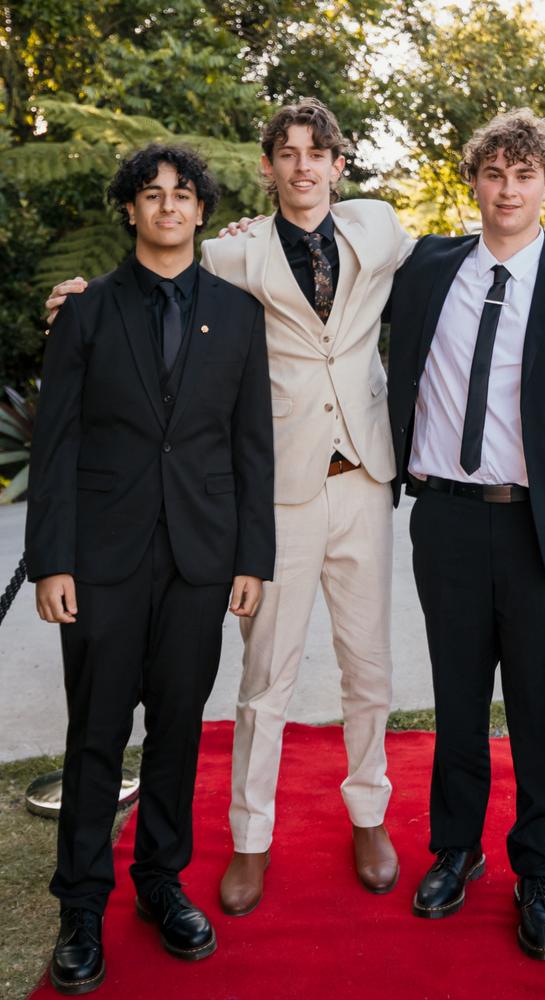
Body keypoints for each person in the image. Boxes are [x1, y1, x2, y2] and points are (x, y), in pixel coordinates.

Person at [45, 98, 545, 919]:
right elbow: (160, 278)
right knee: (267, 673)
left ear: (340, 166)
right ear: (267, 168)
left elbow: (479, 250)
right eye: (287, 153)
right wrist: (80, 298)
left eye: (318, 152)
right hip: (278, 491)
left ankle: (370, 816)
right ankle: (251, 837)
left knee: (368, 667)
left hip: (368, 479)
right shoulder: (234, 255)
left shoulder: (380, 230)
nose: (303, 166)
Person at [386, 108, 545, 959]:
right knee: (457, 699)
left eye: (524, 176)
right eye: (494, 173)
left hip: (542, 527)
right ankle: (455, 852)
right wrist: (238, 232)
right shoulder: (427, 266)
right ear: (475, 182)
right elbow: (324, 260)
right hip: (446, 519)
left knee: (537, 706)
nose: (507, 190)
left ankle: (538, 871)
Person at [26, 143, 275, 994]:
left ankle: (161, 884)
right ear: (129, 210)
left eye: (182, 194)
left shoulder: (240, 316)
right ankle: (81, 904)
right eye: (151, 194)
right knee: (95, 732)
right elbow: (53, 447)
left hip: (202, 559)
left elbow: (252, 448)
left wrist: (253, 556)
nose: (168, 206)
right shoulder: (86, 313)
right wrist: (50, 561)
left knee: (176, 728)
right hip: (100, 558)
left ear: (203, 211)